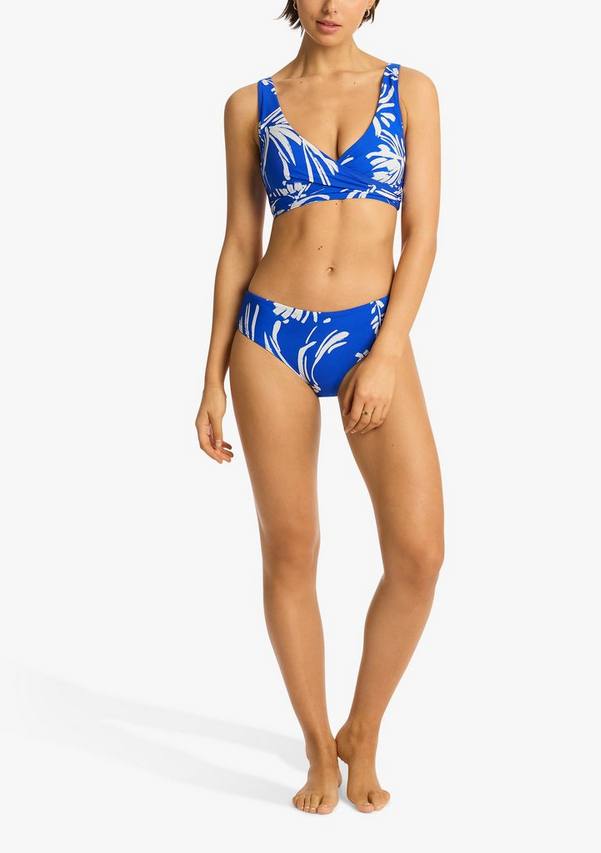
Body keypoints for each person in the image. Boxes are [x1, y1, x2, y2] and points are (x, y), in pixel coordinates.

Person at [195, 0, 443, 815]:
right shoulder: (250, 105)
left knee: (419, 554)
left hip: (373, 334)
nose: (331, 5)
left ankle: (361, 728)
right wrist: (210, 377)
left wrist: (388, 353)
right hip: (270, 338)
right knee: (291, 548)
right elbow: (240, 241)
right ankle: (315, 744)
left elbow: (422, 235)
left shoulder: (411, 91)